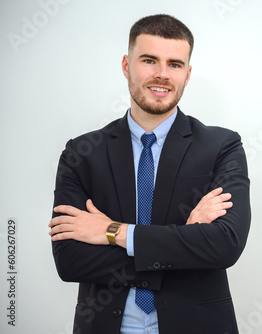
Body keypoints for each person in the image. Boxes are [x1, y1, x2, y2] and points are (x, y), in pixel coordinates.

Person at [48, 14, 250, 334]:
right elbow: (70, 259)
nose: (162, 75)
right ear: (127, 65)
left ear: (188, 73)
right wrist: (183, 240)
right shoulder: (82, 154)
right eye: (149, 60)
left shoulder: (221, 146)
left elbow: (225, 244)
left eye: (174, 64)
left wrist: (112, 232)